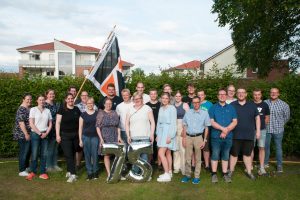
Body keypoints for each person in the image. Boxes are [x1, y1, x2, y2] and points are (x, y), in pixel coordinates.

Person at [229, 88, 260, 180]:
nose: (241, 94)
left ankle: (249, 172)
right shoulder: (232, 105)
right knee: (234, 154)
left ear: (246, 94)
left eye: (243, 93)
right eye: (239, 93)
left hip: (249, 135)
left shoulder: (252, 105)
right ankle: (231, 171)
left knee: (247, 154)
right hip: (235, 134)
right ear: (236, 94)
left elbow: (257, 118)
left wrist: (258, 131)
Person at [209, 89, 237, 183]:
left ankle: (225, 174)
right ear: (217, 96)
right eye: (220, 94)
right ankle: (214, 174)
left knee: (226, 155)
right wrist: (222, 129)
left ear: (226, 96)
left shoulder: (231, 108)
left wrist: (226, 130)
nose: (222, 96)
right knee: (215, 154)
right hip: (216, 136)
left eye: (224, 94)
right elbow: (211, 122)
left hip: (228, 136)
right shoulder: (212, 108)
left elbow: (235, 121)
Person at [181, 97, 211, 185]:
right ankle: (187, 175)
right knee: (187, 158)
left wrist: (204, 140)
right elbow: (184, 126)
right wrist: (184, 138)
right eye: (194, 102)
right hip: (188, 137)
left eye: (197, 102)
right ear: (192, 103)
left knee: (198, 158)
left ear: (200, 103)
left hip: (199, 138)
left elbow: (206, 127)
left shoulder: (205, 113)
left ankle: (197, 177)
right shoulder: (188, 112)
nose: (196, 104)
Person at [125, 92, 155, 175]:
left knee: (144, 156)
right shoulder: (130, 110)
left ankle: (144, 174)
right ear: (133, 100)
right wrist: (128, 135)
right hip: (134, 137)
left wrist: (151, 134)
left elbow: (152, 122)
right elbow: (126, 123)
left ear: (142, 99)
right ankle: (135, 173)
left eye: (139, 98)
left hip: (145, 136)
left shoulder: (147, 108)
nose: (137, 100)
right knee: (135, 156)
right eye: (135, 99)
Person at [56, 93, 81, 183]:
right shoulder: (62, 109)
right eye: (69, 98)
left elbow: (80, 122)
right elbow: (58, 123)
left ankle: (69, 171)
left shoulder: (77, 109)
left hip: (75, 136)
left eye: (72, 98)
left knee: (72, 154)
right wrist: (58, 135)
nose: (70, 100)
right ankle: (73, 174)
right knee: (68, 154)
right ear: (66, 100)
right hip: (65, 135)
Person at [26, 95, 52, 181]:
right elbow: (31, 124)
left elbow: (50, 124)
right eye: (40, 100)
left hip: (45, 134)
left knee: (44, 154)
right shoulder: (33, 109)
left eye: (43, 100)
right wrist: (40, 133)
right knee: (35, 154)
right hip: (35, 134)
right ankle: (33, 172)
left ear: (44, 101)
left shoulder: (48, 110)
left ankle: (42, 173)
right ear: (37, 101)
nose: (41, 101)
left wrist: (46, 133)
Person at [264, 88, 290, 172]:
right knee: (266, 147)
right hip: (267, 129)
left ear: (278, 94)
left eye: (275, 92)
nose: (273, 94)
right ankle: (265, 163)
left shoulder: (284, 105)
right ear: (269, 93)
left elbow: (286, 117)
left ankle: (279, 165)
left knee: (278, 147)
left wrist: (281, 124)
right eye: (272, 92)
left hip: (278, 130)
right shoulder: (265, 103)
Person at [96, 98, 122, 178]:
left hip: (115, 135)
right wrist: (101, 139)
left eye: (110, 103)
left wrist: (119, 136)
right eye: (107, 103)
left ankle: (117, 173)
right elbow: (97, 127)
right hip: (105, 136)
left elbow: (118, 126)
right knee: (106, 155)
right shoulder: (101, 113)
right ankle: (109, 174)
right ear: (104, 104)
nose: (108, 105)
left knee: (118, 155)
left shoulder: (114, 112)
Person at [156, 93, 177, 182]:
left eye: (166, 98)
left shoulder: (172, 108)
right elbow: (158, 122)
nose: (164, 100)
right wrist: (157, 134)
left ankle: (166, 174)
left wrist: (170, 136)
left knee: (161, 153)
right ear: (161, 99)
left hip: (168, 132)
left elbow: (173, 123)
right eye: (163, 98)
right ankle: (169, 171)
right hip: (161, 132)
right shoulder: (161, 108)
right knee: (167, 153)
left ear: (169, 99)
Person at [79, 97, 100, 180]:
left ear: (93, 104)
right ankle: (89, 172)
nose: (90, 105)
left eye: (91, 103)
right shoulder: (83, 114)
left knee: (95, 155)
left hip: (95, 137)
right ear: (86, 104)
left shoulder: (97, 113)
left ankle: (95, 172)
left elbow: (99, 126)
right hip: (85, 137)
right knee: (87, 155)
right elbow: (80, 128)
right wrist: (80, 139)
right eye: (88, 103)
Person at [251, 89, 270, 175]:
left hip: (262, 130)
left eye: (258, 94)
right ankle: (250, 165)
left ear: (261, 95)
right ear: (252, 95)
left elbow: (267, 117)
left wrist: (262, 125)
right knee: (250, 148)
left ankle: (262, 167)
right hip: (251, 130)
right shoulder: (249, 104)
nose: (257, 96)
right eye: (255, 94)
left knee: (261, 148)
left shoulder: (265, 105)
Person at [13, 93, 32, 177]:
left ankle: (26, 167)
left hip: (28, 133)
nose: (29, 100)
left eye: (30, 99)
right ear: (23, 99)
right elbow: (21, 123)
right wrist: (26, 134)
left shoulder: (28, 108)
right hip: (22, 134)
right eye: (27, 99)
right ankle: (22, 170)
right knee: (23, 152)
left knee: (27, 151)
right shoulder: (21, 109)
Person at [44, 89, 62, 172]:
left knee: (55, 148)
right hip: (48, 129)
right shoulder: (44, 104)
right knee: (49, 149)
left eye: (53, 94)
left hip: (57, 129)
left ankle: (55, 164)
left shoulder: (57, 104)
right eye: (50, 94)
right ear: (46, 95)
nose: (52, 95)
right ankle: (48, 166)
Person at [173, 91, 189, 175]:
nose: (178, 97)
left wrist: (184, 129)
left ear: (181, 97)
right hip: (174, 127)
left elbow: (188, 117)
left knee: (183, 148)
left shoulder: (185, 105)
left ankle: (184, 168)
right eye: (176, 96)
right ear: (174, 97)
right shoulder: (172, 106)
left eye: (179, 96)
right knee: (175, 148)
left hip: (182, 126)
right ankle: (176, 167)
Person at [198, 90, 213, 171]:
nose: (200, 96)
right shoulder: (194, 103)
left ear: (204, 96)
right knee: (196, 147)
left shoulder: (209, 104)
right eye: (199, 95)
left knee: (206, 147)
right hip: (196, 129)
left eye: (202, 95)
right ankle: (196, 164)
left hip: (206, 128)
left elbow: (212, 116)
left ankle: (207, 164)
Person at [146, 89, 161, 166]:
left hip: (159, 128)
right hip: (149, 128)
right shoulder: (146, 105)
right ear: (149, 95)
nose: (153, 95)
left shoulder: (160, 104)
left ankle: (159, 163)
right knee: (150, 145)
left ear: (157, 95)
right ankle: (150, 161)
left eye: (154, 94)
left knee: (159, 146)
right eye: (151, 94)